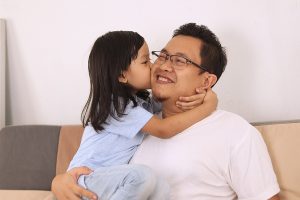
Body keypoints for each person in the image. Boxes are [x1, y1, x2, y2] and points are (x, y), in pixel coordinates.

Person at [52, 23, 281, 200]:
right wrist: (59, 181)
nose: (162, 66)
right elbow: (95, 171)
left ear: (207, 81)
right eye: (161, 56)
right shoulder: (141, 124)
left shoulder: (236, 132)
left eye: (180, 61)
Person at [54, 30, 217, 200]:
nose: (154, 66)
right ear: (122, 75)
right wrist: (208, 106)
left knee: (162, 188)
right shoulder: (115, 106)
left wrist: (204, 93)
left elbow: (170, 99)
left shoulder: (141, 103)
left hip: (111, 181)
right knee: (142, 177)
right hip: (85, 180)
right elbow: (163, 129)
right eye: (145, 62)